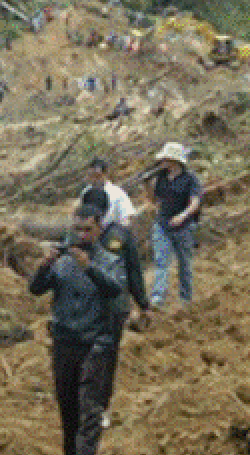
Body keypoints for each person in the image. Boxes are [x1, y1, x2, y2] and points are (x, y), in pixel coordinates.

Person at [28, 205, 123, 455]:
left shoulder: (109, 260)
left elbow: (115, 289)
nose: (81, 235)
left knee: (90, 407)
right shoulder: (62, 262)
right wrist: (44, 265)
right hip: (64, 342)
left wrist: (89, 267)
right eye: (77, 229)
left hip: (95, 342)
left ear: (99, 230)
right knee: (67, 402)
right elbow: (35, 289)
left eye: (88, 230)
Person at [81, 186, 149, 423]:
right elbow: (134, 270)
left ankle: (98, 405)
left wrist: (142, 303)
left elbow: (132, 269)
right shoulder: (93, 235)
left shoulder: (114, 236)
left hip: (105, 306)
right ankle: (98, 405)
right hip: (108, 306)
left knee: (102, 355)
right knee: (105, 356)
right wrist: (142, 303)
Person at [148, 142, 202, 310]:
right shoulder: (161, 178)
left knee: (184, 263)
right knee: (161, 261)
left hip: (184, 227)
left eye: (165, 159)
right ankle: (158, 297)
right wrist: (147, 186)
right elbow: (154, 200)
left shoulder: (190, 179)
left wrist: (183, 216)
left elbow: (195, 203)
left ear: (173, 160)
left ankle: (186, 299)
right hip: (163, 224)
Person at [79, 157, 136, 229]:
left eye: (97, 176)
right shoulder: (85, 192)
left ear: (105, 174)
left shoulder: (117, 193)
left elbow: (127, 217)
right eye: (91, 175)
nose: (94, 179)